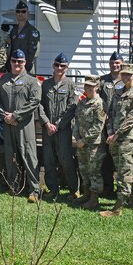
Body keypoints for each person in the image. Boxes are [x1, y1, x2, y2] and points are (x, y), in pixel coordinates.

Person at [0, 49, 41, 203]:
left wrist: (15, 116)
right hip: (8, 124)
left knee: (29, 155)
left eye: (20, 61)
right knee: (11, 155)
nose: (17, 64)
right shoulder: (3, 79)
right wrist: (6, 117)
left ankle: (34, 189)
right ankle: (14, 186)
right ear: (10, 62)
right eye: (14, 61)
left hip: (24, 124)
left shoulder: (31, 81)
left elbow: (34, 101)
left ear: (25, 63)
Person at [100, 63, 133, 217]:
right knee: (120, 171)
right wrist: (111, 131)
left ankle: (118, 208)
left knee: (125, 173)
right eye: (123, 74)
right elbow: (110, 113)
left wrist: (116, 134)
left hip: (128, 139)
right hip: (115, 139)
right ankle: (131, 200)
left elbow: (132, 118)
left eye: (129, 75)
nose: (125, 77)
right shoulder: (117, 93)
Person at [38, 53, 79, 199]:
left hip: (63, 129)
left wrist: (58, 124)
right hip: (47, 129)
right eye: (57, 65)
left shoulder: (70, 85)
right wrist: (47, 123)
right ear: (53, 66)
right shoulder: (46, 84)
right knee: (48, 160)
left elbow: (72, 107)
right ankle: (53, 189)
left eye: (63, 66)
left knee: (66, 160)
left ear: (67, 68)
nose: (59, 68)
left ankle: (74, 190)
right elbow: (40, 106)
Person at [73, 75, 107, 209]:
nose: (88, 88)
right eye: (86, 86)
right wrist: (76, 137)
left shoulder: (99, 104)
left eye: (91, 86)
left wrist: (84, 140)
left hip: (94, 144)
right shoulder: (82, 103)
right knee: (83, 170)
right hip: (81, 143)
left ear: (97, 87)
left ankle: (94, 199)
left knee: (94, 171)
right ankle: (86, 195)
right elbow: (76, 121)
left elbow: (98, 126)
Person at [98, 51, 124, 198]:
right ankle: (107, 188)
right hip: (105, 126)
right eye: (113, 63)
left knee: (120, 159)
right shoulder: (103, 81)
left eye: (118, 63)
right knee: (106, 158)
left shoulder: (126, 81)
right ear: (109, 64)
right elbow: (98, 101)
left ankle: (121, 191)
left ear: (122, 64)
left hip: (120, 126)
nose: (115, 65)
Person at [8, 1, 40, 73]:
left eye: (23, 11)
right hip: (14, 67)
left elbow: (33, 52)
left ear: (27, 13)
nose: (20, 13)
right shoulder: (13, 30)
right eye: (18, 11)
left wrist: (25, 67)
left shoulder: (33, 31)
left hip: (27, 68)